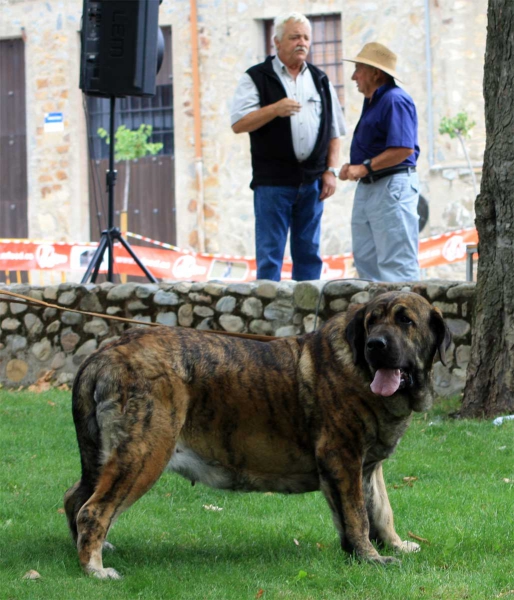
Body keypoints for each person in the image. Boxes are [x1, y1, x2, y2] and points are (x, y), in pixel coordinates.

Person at [230, 12, 346, 282]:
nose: (301, 43)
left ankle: (308, 315)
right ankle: (267, 316)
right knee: (270, 254)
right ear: (277, 42)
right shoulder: (256, 77)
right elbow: (238, 123)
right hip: (273, 183)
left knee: (309, 252)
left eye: (306, 37)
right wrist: (274, 109)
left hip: (312, 182)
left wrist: (331, 170)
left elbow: (335, 131)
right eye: (294, 37)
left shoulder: (320, 79)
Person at [340, 42, 420, 282]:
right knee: (367, 263)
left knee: (397, 267)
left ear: (376, 73)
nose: (354, 76)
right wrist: (355, 167)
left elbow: (403, 149)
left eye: (359, 69)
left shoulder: (395, 99)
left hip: (390, 186)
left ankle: (404, 319)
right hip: (374, 186)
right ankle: (377, 319)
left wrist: (364, 167)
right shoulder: (376, 101)